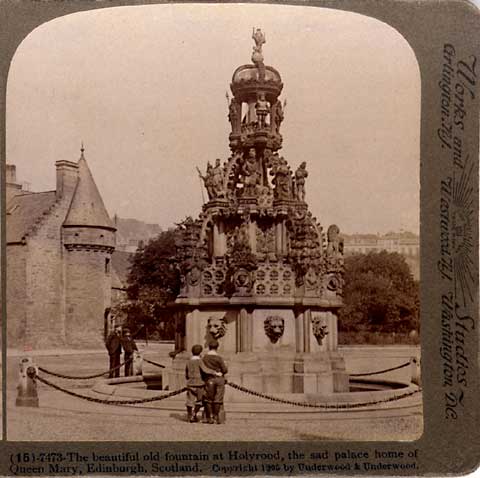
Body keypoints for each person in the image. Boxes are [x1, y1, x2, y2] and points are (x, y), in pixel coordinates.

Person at [201, 339, 228, 424]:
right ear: (217, 347)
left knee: (208, 399)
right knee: (218, 398)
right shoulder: (219, 358)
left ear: (209, 347)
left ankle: (209, 417)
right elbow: (224, 370)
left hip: (209, 379)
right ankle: (216, 416)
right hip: (219, 379)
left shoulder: (204, 357)